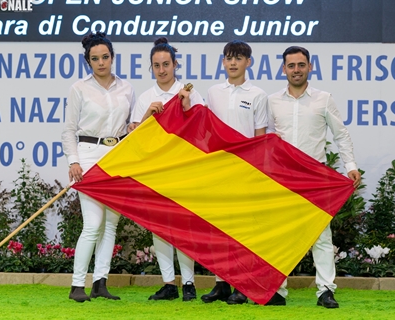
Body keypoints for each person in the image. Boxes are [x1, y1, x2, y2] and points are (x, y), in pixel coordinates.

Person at [267, 45, 362, 308]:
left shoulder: (324, 98)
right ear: (283, 68)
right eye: (291, 65)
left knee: (321, 236)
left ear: (310, 67)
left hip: (314, 177)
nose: (296, 70)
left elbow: (340, 134)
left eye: (300, 65)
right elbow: (267, 140)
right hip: (283, 177)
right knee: (280, 235)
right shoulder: (272, 101)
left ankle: (325, 292)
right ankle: (277, 291)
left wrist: (350, 165)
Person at [200, 40, 283, 306]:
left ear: (249, 62)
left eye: (239, 58)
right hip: (218, 170)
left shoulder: (258, 94)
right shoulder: (212, 92)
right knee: (219, 230)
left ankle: (242, 284)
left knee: (243, 231)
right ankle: (221, 283)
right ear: (223, 62)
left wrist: (257, 172)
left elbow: (260, 137)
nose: (233, 63)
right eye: (228, 58)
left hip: (246, 171)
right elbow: (206, 131)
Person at [61, 31, 136, 303]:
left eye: (105, 57)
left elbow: (130, 126)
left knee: (110, 226)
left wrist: (132, 127)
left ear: (112, 58)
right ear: (88, 61)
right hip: (89, 156)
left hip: (117, 156)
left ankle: (100, 283)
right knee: (93, 224)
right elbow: (69, 130)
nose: (101, 62)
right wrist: (74, 161)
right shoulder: (79, 88)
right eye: (95, 58)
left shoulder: (127, 88)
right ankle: (77, 285)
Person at [129, 37, 204, 302]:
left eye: (166, 64)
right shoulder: (146, 98)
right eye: (156, 65)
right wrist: (149, 115)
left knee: (184, 227)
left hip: (183, 169)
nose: (162, 70)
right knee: (160, 228)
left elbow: (203, 130)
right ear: (151, 68)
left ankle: (190, 284)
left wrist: (185, 107)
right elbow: (134, 141)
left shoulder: (189, 92)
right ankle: (169, 284)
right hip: (156, 171)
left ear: (175, 64)